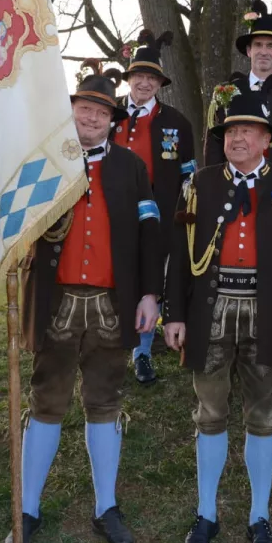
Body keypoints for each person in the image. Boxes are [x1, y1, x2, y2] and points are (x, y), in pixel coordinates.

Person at [9, 72, 163, 543]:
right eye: (84, 109)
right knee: (47, 401)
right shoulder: (44, 163)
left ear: (112, 120)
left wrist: (149, 295)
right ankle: (28, 508)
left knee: (104, 402)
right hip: (55, 299)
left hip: (112, 303)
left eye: (101, 112)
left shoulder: (131, 167)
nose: (92, 118)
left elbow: (149, 234)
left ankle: (105, 507)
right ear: (71, 112)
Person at [164, 91, 272, 543]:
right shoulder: (199, 185)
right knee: (209, 413)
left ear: (266, 139)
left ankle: (259, 515)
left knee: (262, 416)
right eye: (230, 131)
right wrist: (173, 315)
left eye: (246, 131)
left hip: (267, 313)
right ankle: (206, 513)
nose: (237, 138)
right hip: (210, 310)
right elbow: (178, 251)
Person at [112, 29, 197, 384]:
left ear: (159, 83)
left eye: (151, 77)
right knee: (113, 277)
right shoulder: (109, 112)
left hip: (158, 217)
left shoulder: (176, 122)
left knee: (151, 282)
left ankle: (142, 352)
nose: (144, 83)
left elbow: (189, 177)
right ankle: (109, 345)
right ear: (129, 78)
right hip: (111, 213)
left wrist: (183, 214)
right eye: (139, 76)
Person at [203, 0, 272, 186]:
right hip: (232, 188)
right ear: (249, 50)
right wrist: (213, 187)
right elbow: (214, 146)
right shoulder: (226, 92)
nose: (264, 52)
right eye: (258, 45)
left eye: (270, 46)